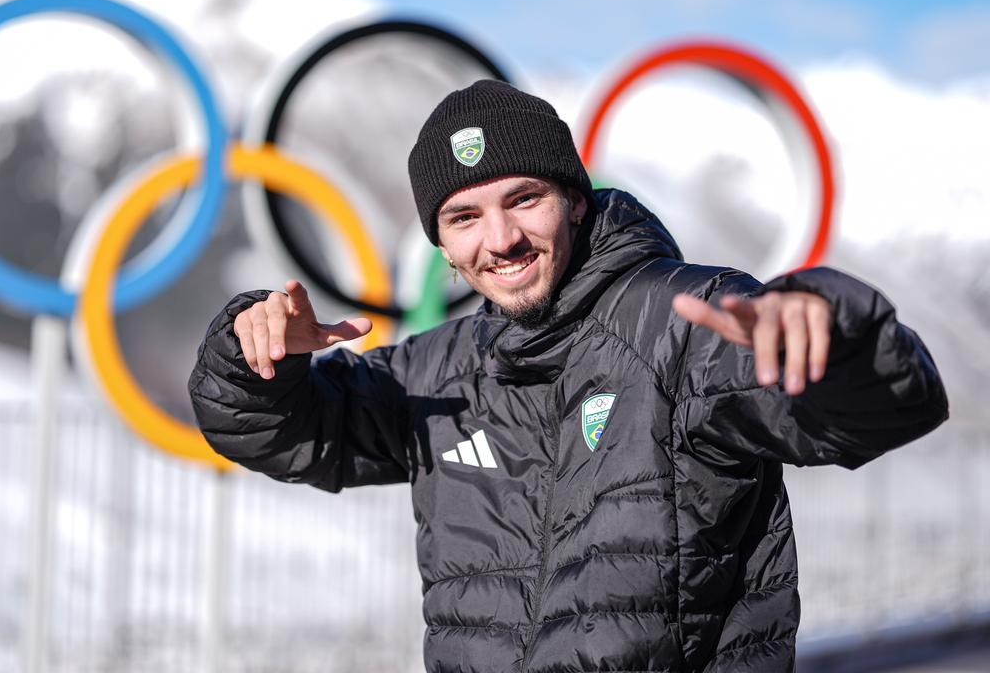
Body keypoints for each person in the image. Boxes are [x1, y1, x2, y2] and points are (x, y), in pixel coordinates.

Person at [187, 80, 948, 672]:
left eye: (524, 200)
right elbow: (288, 432)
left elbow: (882, 407)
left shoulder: (686, 322)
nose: (502, 239)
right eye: (465, 217)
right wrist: (255, 361)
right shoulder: (438, 369)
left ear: (576, 202)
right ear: (442, 248)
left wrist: (830, 333)